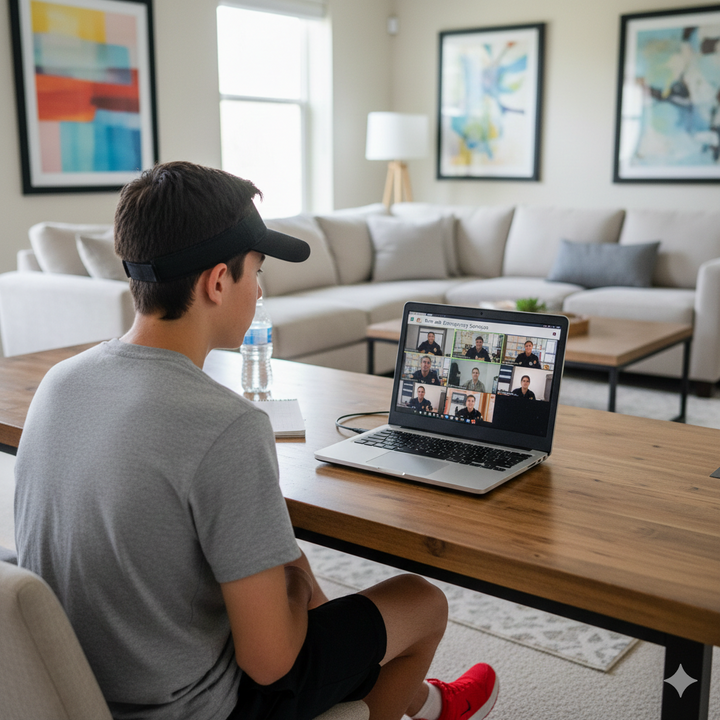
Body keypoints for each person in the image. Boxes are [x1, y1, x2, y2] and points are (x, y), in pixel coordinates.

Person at [14, 162, 499, 720]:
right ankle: (429, 706)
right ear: (218, 282)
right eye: (257, 270)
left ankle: (432, 703)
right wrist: (295, 583)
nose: (260, 288)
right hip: (200, 706)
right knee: (420, 601)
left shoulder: (61, 382)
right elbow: (270, 662)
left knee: (297, 577)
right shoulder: (226, 424)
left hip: (78, 691)